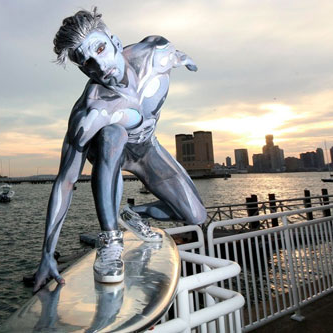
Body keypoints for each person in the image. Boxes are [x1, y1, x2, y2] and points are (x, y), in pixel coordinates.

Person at [33, 7, 206, 292]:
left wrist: (182, 59)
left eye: (100, 48)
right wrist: (47, 254)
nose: (99, 66)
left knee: (195, 216)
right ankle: (110, 239)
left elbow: (174, 54)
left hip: (147, 148)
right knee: (112, 131)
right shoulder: (89, 111)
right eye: (86, 63)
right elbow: (65, 182)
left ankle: (133, 213)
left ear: (113, 39)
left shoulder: (155, 53)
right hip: (111, 150)